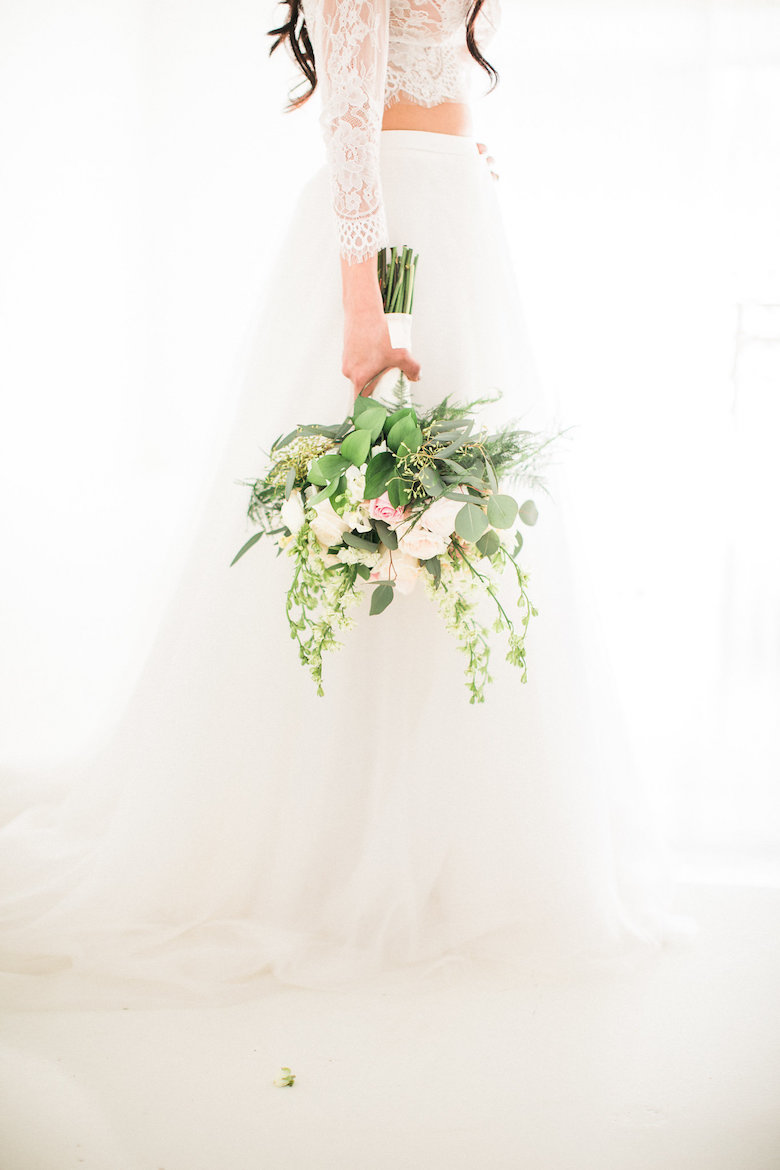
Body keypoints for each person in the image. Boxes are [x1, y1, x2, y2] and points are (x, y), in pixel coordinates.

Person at [0, 0, 689, 1008]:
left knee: (463, 511)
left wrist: (470, 163)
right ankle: (323, 837)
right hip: (391, 237)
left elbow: (434, 79)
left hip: (457, 220)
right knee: (366, 506)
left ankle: (448, 831)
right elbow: (348, 121)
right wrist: (363, 310)